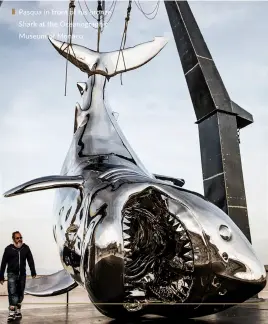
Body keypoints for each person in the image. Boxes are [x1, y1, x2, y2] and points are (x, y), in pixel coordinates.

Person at [0, 231, 36, 322]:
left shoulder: (25, 248)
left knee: (20, 294)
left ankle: (18, 309)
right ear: (13, 239)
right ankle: (12, 313)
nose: (20, 239)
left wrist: (33, 271)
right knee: (12, 293)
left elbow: (30, 260)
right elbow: (3, 263)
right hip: (11, 274)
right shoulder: (8, 249)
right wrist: (1, 276)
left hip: (22, 275)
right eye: (17, 238)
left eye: (20, 237)